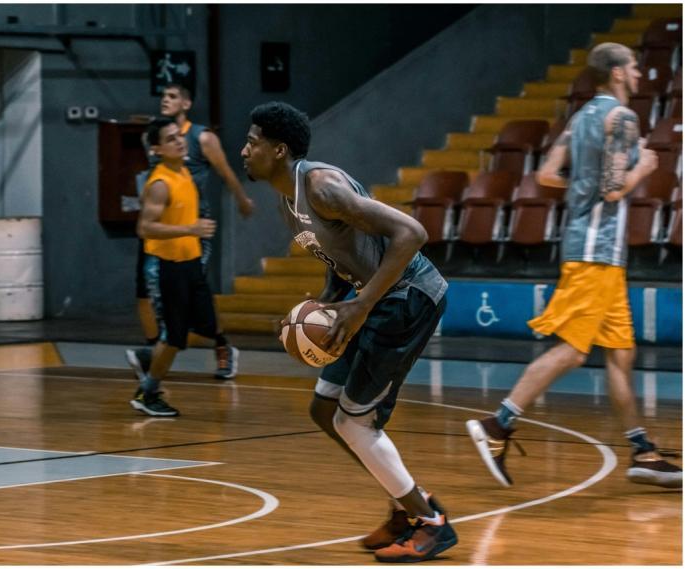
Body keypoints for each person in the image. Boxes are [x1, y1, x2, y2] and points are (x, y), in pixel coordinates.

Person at [241, 101, 457, 563]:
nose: (244, 150)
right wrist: (324, 303)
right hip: (372, 300)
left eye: (252, 142)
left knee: (352, 421)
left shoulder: (322, 187)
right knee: (324, 410)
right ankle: (405, 506)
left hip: (408, 297)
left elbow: (412, 233)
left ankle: (430, 523)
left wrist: (359, 306)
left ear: (279, 150)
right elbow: (339, 262)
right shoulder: (287, 201)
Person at [466, 43, 681, 489]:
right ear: (618, 73)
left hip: (593, 251)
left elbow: (545, 174)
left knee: (621, 353)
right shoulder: (621, 119)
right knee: (574, 350)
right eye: (635, 68)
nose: (640, 74)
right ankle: (498, 425)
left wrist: (582, 184)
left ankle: (643, 451)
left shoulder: (579, 119)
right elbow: (612, 190)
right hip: (596, 253)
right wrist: (643, 166)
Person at [133, 83, 253, 379]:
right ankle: (153, 357)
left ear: (186, 104)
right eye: (162, 96)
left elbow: (226, 172)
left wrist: (241, 199)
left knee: (193, 300)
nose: (165, 100)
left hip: (193, 227)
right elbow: (150, 196)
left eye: (172, 96)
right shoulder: (159, 148)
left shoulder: (200, 140)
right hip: (166, 228)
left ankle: (220, 347)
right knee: (146, 295)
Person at [127, 117, 226, 417]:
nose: (180, 141)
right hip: (166, 266)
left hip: (190, 263)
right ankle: (148, 392)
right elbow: (145, 229)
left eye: (179, 136)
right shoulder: (159, 183)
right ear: (157, 149)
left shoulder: (183, 171)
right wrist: (190, 229)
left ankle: (148, 355)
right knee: (174, 337)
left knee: (208, 325)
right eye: (171, 139)